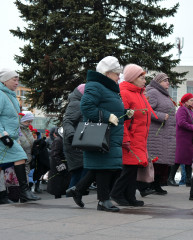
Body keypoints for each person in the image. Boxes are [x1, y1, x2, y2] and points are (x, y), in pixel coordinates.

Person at [66, 56, 126, 212]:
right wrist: (107, 116)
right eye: (116, 73)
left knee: (101, 167)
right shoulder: (95, 86)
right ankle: (103, 201)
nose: (119, 76)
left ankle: (77, 190)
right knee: (104, 167)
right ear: (107, 73)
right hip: (101, 134)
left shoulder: (108, 88)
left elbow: (112, 110)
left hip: (109, 134)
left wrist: (125, 114)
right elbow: (86, 107)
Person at [110, 64, 154, 207]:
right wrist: (125, 138)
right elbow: (122, 119)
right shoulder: (125, 93)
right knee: (128, 169)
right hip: (130, 139)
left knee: (133, 169)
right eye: (141, 77)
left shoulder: (138, 93)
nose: (144, 80)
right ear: (133, 78)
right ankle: (117, 194)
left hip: (139, 138)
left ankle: (129, 196)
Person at [0, 68, 40, 202]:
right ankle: (24, 192)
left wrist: (15, 137)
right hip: (4, 138)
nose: (17, 82)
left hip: (11, 138)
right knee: (21, 156)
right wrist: (3, 135)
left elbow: (14, 120)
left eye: (17, 80)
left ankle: (5, 196)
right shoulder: (1, 95)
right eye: (14, 79)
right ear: (4, 81)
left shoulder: (11, 96)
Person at [145, 73, 178, 189]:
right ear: (158, 82)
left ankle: (157, 184)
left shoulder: (164, 94)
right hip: (156, 134)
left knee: (162, 162)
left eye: (168, 80)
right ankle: (150, 184)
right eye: (165, 80)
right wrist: (160, 116)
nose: (168, 82)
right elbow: (147, 109)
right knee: (155, 161)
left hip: (165, 134)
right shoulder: (153, 92)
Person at [62, 84, 89, 189]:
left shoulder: (81, 103)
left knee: (81, 174)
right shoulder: (76, 104)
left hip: (79, 143)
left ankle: (74, 195)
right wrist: (72, 135)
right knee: (79, 174)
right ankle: (72, 196)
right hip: (76, 145)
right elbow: (67, 121)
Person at [175, 93, 193, 188]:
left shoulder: (189, 110)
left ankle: (188, 180)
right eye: (191, 100)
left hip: (189, 138)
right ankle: (170, 178)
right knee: (179, 158)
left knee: (188, 160)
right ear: (186, 101)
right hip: (183, 137)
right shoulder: (182, 109)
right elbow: (181, 122)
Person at [46, 127, 70, 198]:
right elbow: (54, 154)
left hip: (62, 164)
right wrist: (61, 166)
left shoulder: (61, 140)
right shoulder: (58, 140)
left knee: (62, 186)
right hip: (58, 166)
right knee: (58, 186)